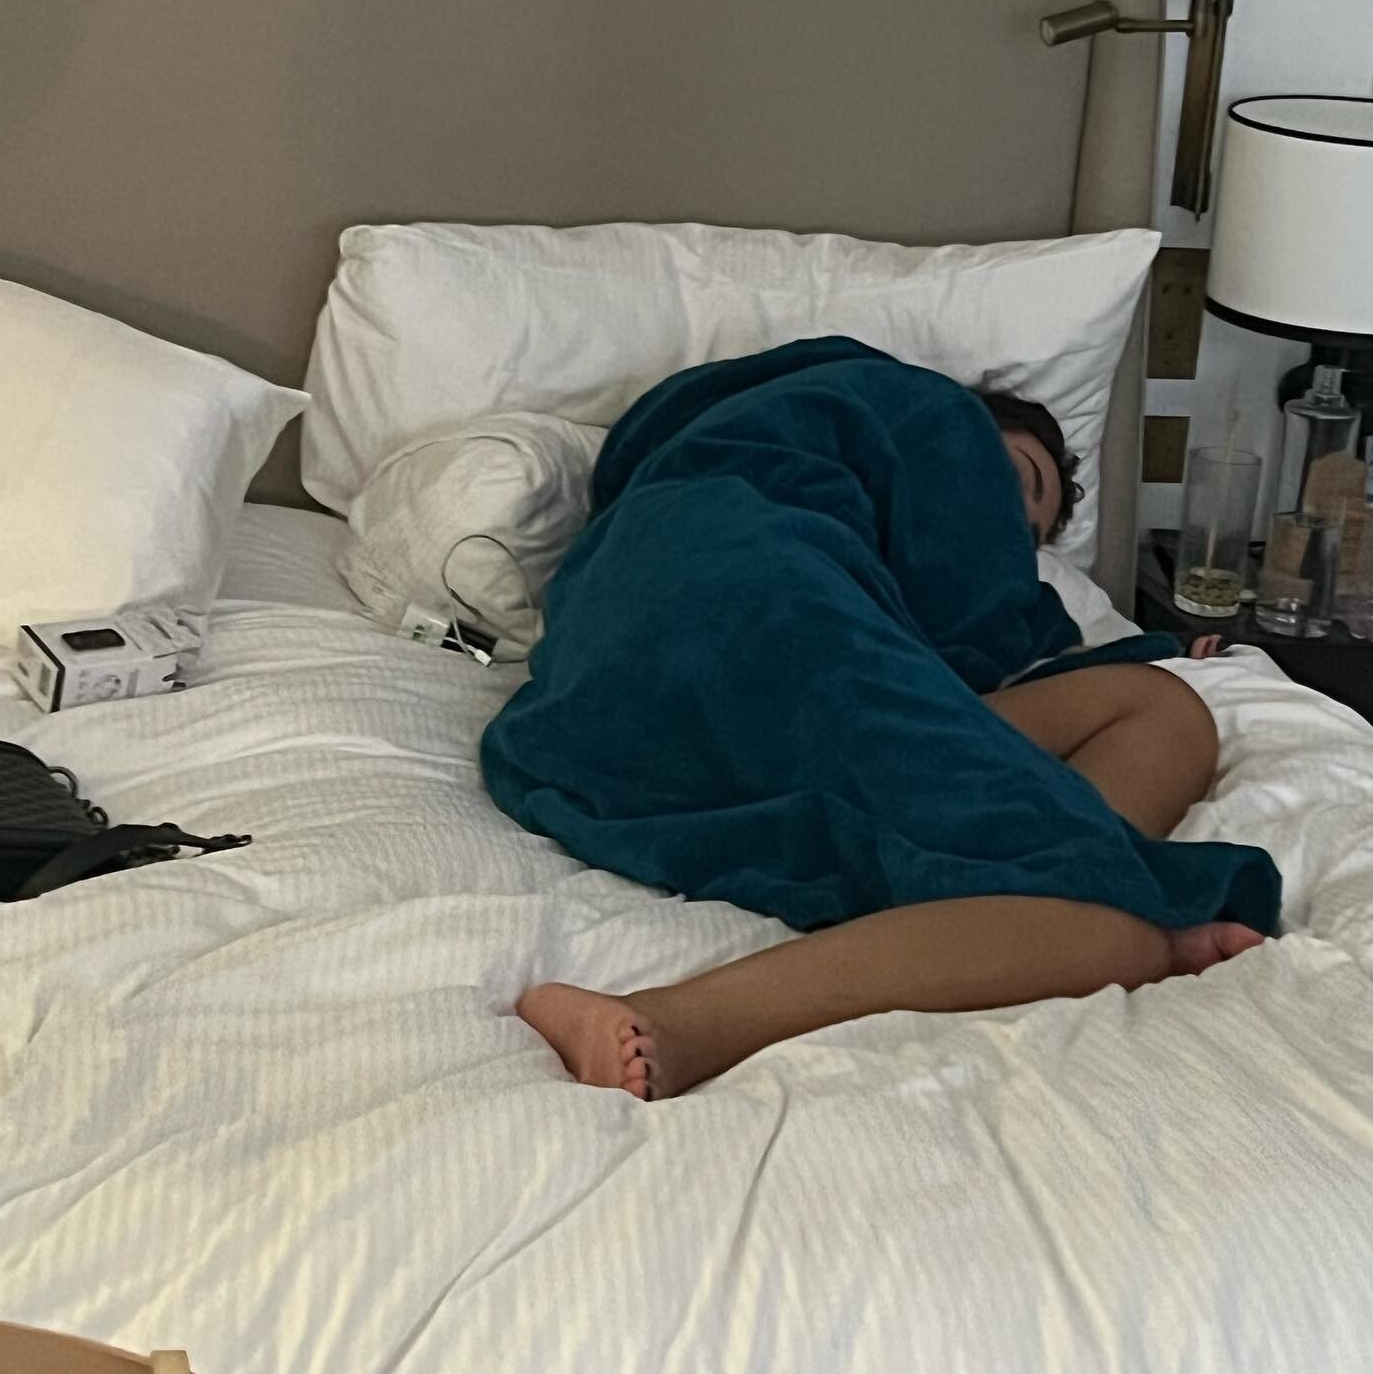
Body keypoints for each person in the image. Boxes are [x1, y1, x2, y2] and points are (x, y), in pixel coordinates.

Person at [511, 382, 1259, 1101]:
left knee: (1165, 708)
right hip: (751, 611)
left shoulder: (863, 544)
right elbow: (963, 606)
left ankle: (1054, 894)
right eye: (1012, 481)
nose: (1005, 531)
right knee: (1114, 938)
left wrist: (1137, 651)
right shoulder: (911, 414)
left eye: (1026, 541)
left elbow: (949, 649)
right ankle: (681, 1022)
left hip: (722, 670)